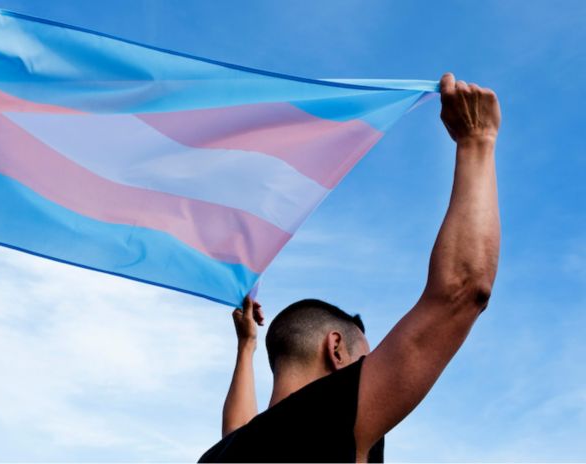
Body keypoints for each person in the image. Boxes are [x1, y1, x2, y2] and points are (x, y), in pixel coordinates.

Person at [199, 72, 502, 463]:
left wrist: (247, 347)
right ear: (336, 349)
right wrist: (477, 141)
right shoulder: (321, 421)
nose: (374, 371)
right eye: (366, 360)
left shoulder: (225, 454)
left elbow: (238, 430)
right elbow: (462, 291)